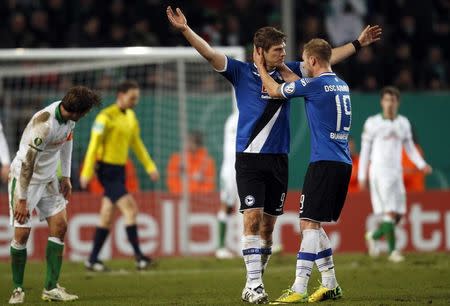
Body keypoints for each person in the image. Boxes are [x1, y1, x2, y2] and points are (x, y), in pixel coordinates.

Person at [167, 6, 381, 303]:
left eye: (283, 49)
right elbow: (209, 54)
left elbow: (325, 60)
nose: (283, 54)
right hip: (250, 158)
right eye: (277, 50)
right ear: (260, 51)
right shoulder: (240, 72)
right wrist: (186, 30)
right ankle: (253, 285)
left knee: (268, 229)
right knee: (251, 219)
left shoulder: (288, 70)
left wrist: (357, 44)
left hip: (279, 159)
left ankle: (257, 280)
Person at [254, 38, 353, 303]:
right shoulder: (339, 84)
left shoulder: (315, 85)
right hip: (342, 162)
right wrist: (286, 71)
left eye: (304, 61)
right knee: (313, 223)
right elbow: (296, 79)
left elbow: (275, 90)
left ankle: (299, 286)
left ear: (311, 61)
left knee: (308, 224)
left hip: (324, 163)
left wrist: (260, 67)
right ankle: (330, 284)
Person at [7, 86, 101, 304]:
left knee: (60, 225)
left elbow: (67, 142)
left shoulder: (69, 118)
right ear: (78, 112)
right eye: (86, 112)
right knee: (21, 234)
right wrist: (21, 199)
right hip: (25, 179)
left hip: (49, 179)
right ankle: (17, 289)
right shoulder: (44, 125)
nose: (85, 115)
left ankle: (50, 288)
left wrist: (66, 176)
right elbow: (28, 163)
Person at [80, 80, 159, 272]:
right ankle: (140, 257)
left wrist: (150, 166)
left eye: (137, 98)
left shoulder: (131, 117)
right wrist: (86, 172)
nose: (135, 101)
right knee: (130, 210)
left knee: (106, 216)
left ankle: (92, 259)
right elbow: (93, 146)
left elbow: (137, 145)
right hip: (106, 170)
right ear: (120, 96)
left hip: (120, 170)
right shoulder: (105, 117)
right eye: (132, 97)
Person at [358, 86, 432, 262]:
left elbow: (410, 149)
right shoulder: (372, 123)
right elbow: (365, 151)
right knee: (390, 212)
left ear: (398, 102)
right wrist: (362, 176)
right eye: (386, 100)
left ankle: (374, 236)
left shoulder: (403, 123)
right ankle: (393, 252)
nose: (389, 103)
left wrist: (422, 164)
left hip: (396, 173)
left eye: (393, 100)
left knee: (398, 215)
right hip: (379, 172)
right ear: (382, 102)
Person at [216, 111, 238, 259]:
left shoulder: (234, 118)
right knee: (227, 205)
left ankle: (262, 242)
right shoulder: (234, 119)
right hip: (230, 171)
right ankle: (221, 248)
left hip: (244, 168)